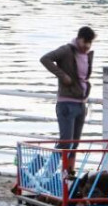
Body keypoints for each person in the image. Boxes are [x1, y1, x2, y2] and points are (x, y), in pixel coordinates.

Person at [39, 26, 96, 175]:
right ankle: (47, 174)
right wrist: (62, 75)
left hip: (81, 104)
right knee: (66, 143)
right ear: (79, 38)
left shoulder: (87, 55)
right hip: (66, 103)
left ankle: (68, 175)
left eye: (90, 43)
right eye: (85, 42)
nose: (87, 46)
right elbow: (45, 59)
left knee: (74, 143)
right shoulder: (66, 50)